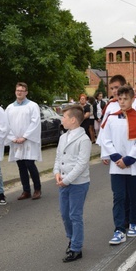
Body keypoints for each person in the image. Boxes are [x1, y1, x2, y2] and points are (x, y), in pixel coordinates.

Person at [98, 84, 136, 245]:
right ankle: (119, 229)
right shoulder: (111, 117)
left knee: (133, 194)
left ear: (132, 99)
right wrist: (116, 157)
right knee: (118, 196)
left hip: (133, 164)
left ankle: (133, 222)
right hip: (117, 164)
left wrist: (128, 160)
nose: (122, 101)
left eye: (125, 99)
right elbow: (106, 139)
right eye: (120, 98)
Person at [53, 104, 91, 262]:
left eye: (64, 117)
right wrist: (56, 173)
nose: (62, 119)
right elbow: (58, 157)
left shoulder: (84, 139)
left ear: (73, 120)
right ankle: (72, 238)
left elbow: (81, 165)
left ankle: (76, 247)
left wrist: (67, 180)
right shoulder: (63, 137)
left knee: (75, 215)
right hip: (64, 182)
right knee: (64, 214)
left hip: (78, 184)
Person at [5, 82, 43, 200]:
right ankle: (26, 190)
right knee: (21, 166)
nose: (19, 92)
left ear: (26, 92)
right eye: (17, 90)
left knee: (30, 164)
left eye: (22, 90)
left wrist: (25, 136)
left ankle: (37, 189)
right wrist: (13, 138)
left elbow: (35, 122)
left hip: (28, 141)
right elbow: (6, 124)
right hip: (16, 141)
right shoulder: (10, 108)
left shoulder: (32, 106)